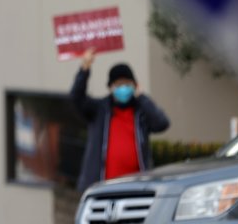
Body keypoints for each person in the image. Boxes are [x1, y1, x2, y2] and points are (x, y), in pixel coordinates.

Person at [70, 48, 170, 192]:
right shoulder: (99, 110)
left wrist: (142, 97)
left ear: (135, 85)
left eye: (127, 84)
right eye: (118, 85)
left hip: (137, 187)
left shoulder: (141, 112)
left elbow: (162, 123)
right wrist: (84, 69)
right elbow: (76, 98)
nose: (123, 88)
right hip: (102, 188)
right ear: (110, 87)